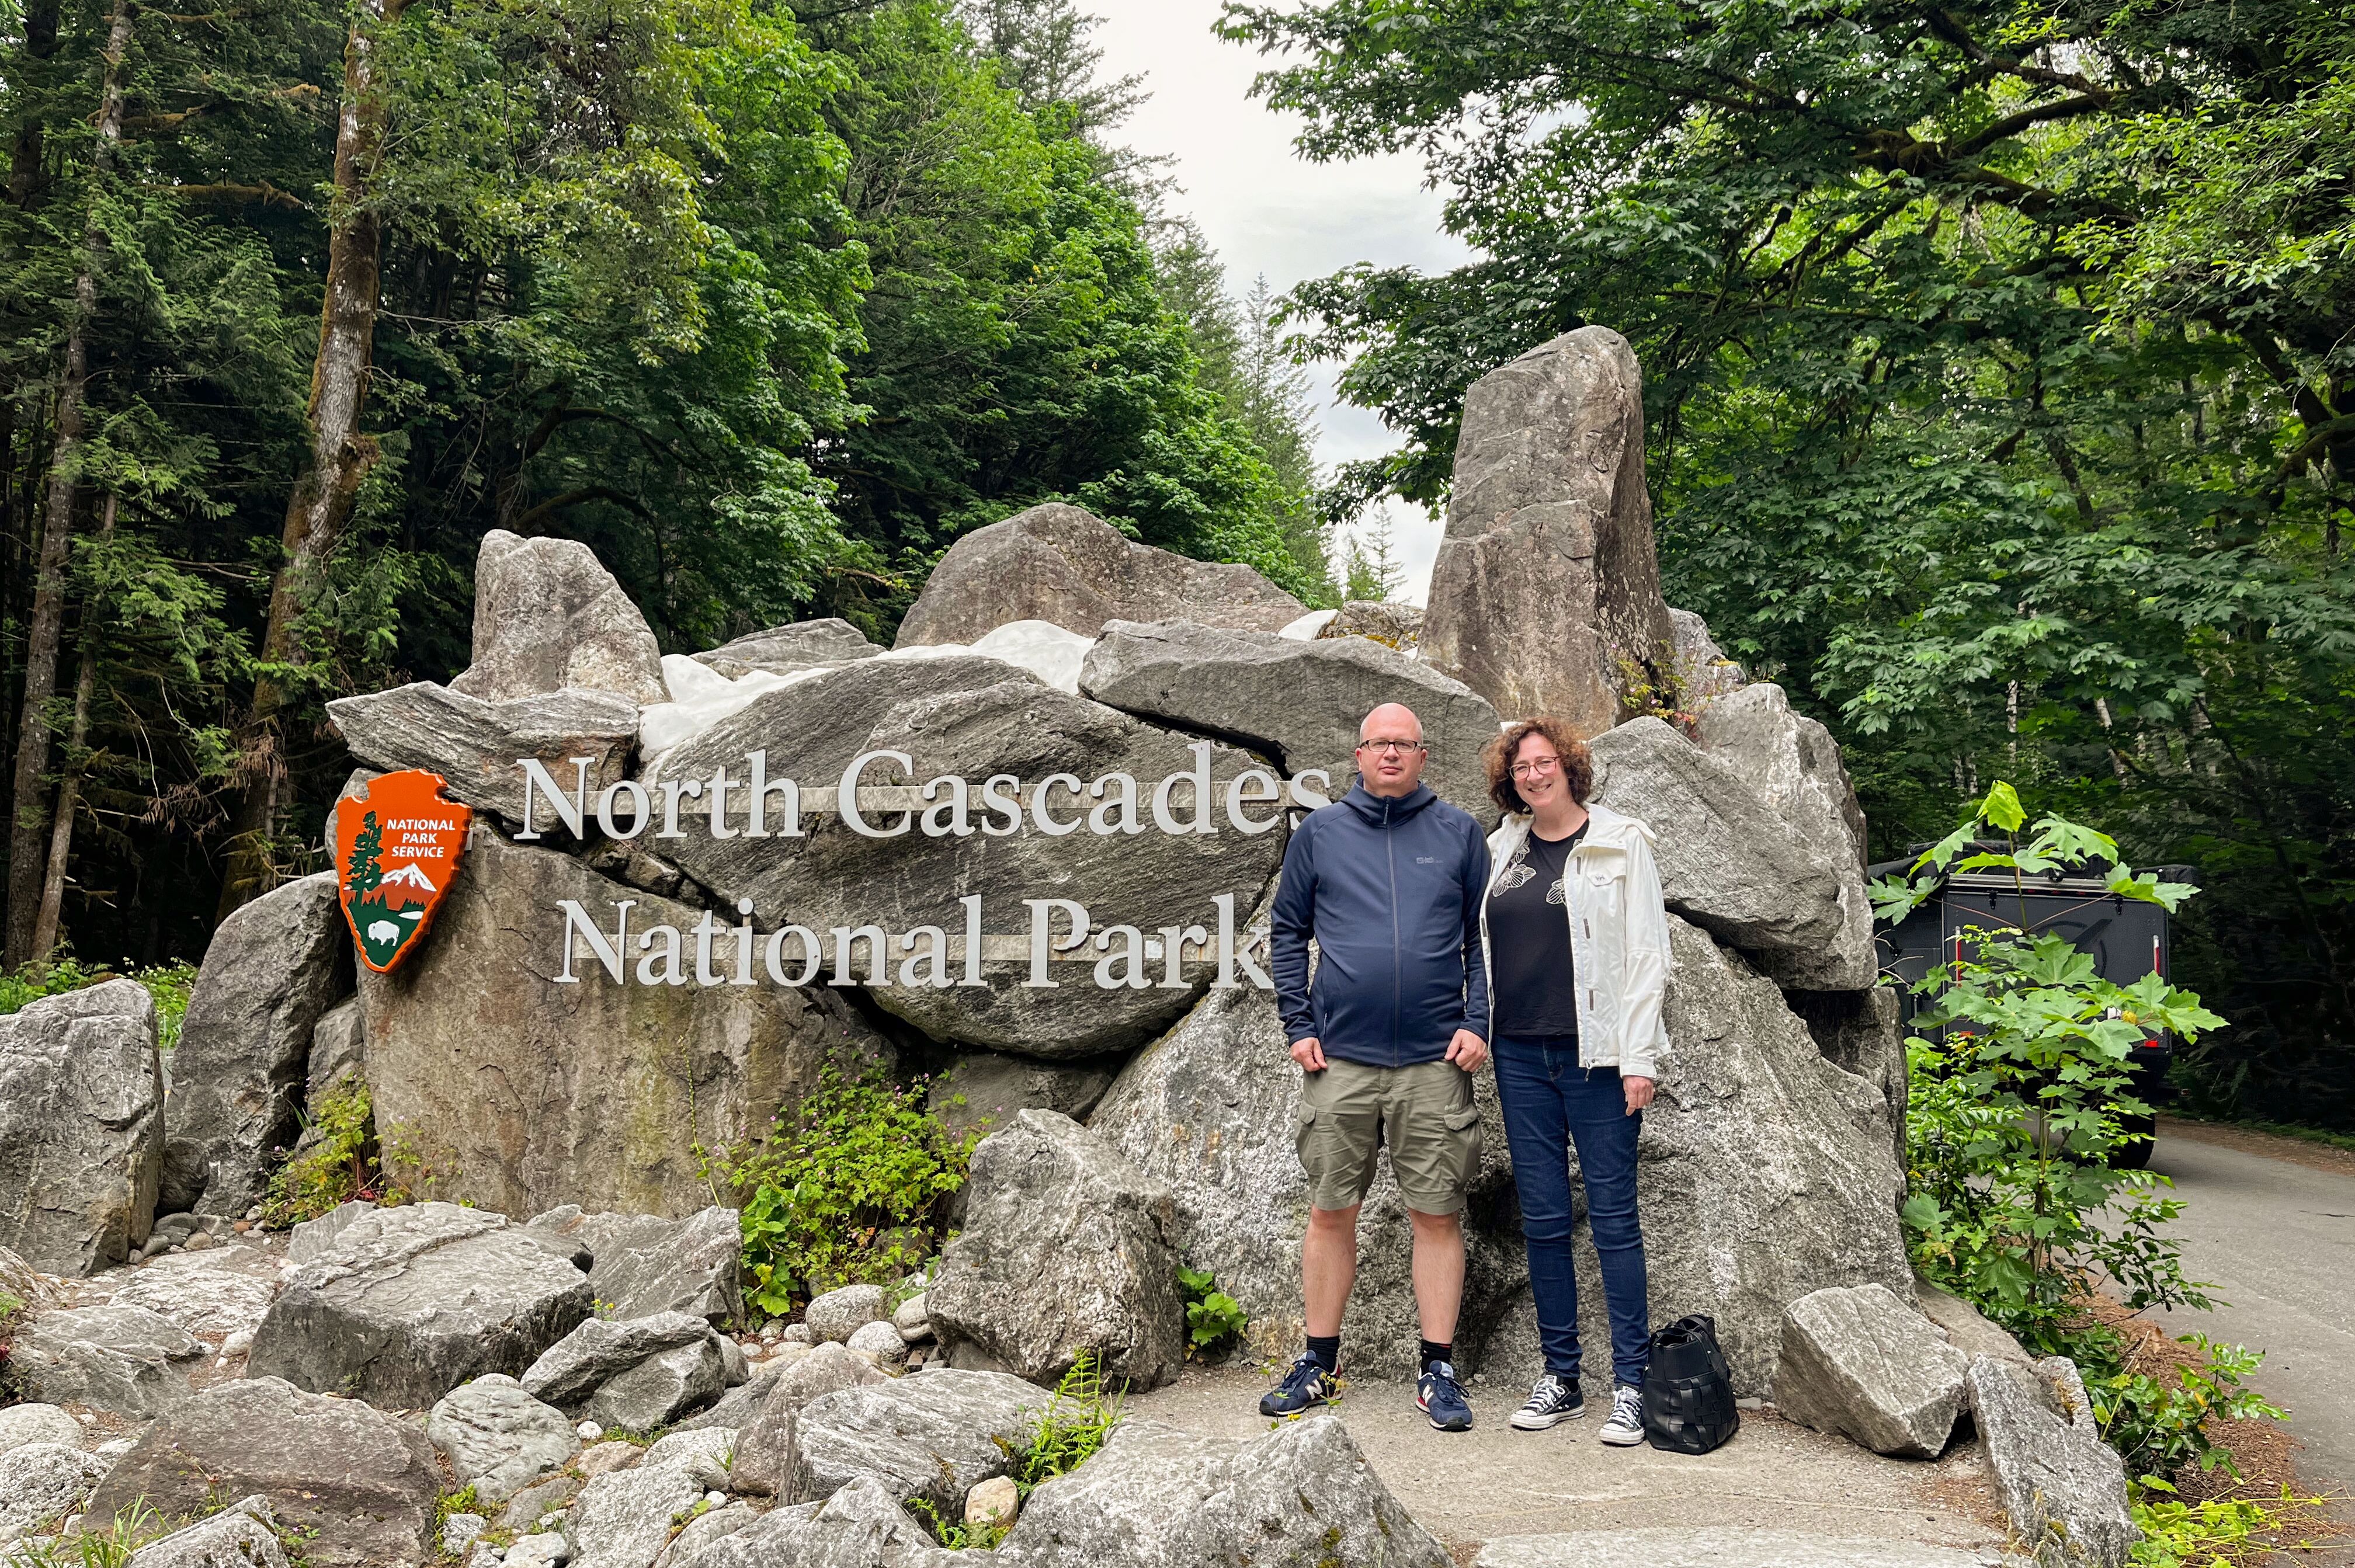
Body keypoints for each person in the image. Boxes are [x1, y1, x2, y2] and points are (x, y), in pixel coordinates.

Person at [1264, 702, 1492, 1431]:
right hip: (1341, 1062)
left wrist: (1477, 1021)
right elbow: (1286, 931)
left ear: (1424, 755)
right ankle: (1319, 1365)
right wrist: (1298, 1024)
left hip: (1435, 1060)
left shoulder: (1459, 833)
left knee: (1438, 1215)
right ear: (1357, 756)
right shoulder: (1321, 833)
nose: (1390, 753)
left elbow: (1481, 941)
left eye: (1404, 743)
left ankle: (1439, 1371)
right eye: (1377, 743)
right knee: (1332, 1211)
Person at [1478, 717, 1670, 1447]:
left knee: (1615, 1223)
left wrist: (1639, 1058)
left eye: (1545, 761)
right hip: (1519, 1057)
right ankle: (1562, 1375)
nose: (1534, 774)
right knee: (1546, 1222)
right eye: (1522, 766)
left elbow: (1648, 955)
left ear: (1569, 766)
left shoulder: (1621, 841)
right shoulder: (1501, 848)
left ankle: (1630, 1384)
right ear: (1511, 779)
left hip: (1598, 1060)